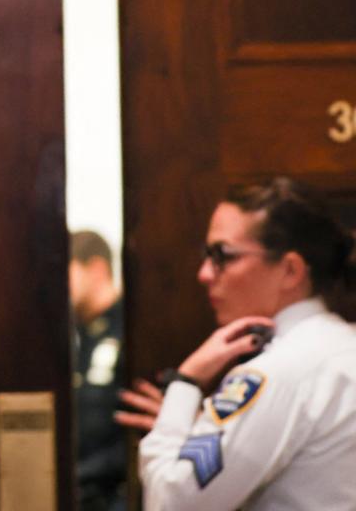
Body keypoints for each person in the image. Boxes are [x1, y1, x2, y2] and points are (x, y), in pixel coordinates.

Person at [120, 178, 356, 510]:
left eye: (222, 256)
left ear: (290, 270)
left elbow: (171, 502)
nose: (204, 273)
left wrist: (184, 383)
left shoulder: (277, 372)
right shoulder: (341, 346)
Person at [70, 230, 127, 511]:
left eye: (66, 272)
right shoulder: (75, 335)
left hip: (112, 495)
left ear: (96, 270)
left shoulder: (130, 328)